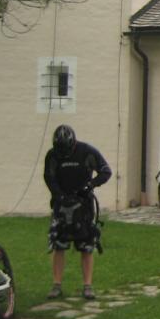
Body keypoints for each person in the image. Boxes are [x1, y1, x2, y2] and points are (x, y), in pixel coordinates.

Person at [44, 125, 111, 300]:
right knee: (59, 245)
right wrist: (58, 195)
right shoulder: (52, 155)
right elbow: (49, 177)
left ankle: (87, 286)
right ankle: (56, 285)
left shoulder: (86, 152)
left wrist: (91, 185)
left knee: (87, 246)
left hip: (84, 205)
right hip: (61, 204)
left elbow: (105, 171)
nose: (63, 153)